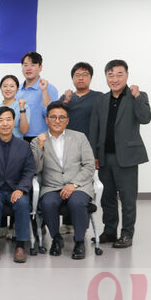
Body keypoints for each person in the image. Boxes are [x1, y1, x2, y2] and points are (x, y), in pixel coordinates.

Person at [89, 59, 151, 249]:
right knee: (107, 197)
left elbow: (145, 118)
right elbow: (94, 128)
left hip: (127, 157)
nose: (114, 79)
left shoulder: (137, 96)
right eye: (110, 75)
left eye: (119, 74)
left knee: (127, 198)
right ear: (106, 77)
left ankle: (126, 234)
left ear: (127, 75)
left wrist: (137, 96)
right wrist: (94, 154)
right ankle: (109, 231)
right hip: (105, 156)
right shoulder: (101, 100)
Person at [32, 102, 96, 259]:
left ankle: (79, 242)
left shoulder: (79, 137)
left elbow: (89, 165)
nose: (57, 121)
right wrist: (40, 147)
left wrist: (74, 184)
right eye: (53, 117)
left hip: (78, 185)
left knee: (77, 202)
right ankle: (56, 238)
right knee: (48, 203)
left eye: (61, 117)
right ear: (47, 119)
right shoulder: (37, 141)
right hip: (52, 186)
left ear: (67, 120)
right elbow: (35, 169)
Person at [0, 107, 35, 263]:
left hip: (16, 188)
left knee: (23, 202)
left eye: (8, 119)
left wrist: (21, 189)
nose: (5, 124)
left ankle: (20, 246)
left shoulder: (23, 145)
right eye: (1, 120)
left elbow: (29, 170)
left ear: (14, 121)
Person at [17, 52, 58, 140]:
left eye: (33, 65)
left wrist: (44, 91)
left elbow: (51, 115)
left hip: (41, 138)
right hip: (19, 137)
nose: (28, 68)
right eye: (25, 65)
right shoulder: (16, 90)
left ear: (40, 67)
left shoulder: (49, 89)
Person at [62, 62, 98, 136]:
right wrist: (66, 101)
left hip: (90, 140)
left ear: (91, 78)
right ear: (72, 78)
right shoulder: (65, 97)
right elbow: (58, 117)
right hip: (68, 139)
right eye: (77, 75)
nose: (81, 78)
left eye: (85, 75)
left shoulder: (99, 97)